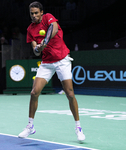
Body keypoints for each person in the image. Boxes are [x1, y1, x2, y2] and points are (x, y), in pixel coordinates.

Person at [18, 1, 85, 142]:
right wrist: (38, 49)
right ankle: (30, 126)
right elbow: (35, 50)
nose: (34, 16)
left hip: (62, 60)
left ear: (41, 12)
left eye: (36, 13)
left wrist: (45, 41)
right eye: (32, 14)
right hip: (47, 63)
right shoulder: (30, 29)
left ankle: (78, 127)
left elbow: (53, 29)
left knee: (70, 93)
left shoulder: (49, 17)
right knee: (34, 92)